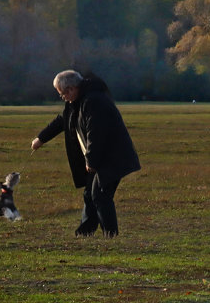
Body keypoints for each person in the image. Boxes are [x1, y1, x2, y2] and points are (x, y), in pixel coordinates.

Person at [30, 70, 140, 237]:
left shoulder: (93, 101)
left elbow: (96, 134)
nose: (63, 98)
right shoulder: (77, 101)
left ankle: (110, 235)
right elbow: (63, 120)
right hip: (101, 157)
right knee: (90, 193)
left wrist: (91, 161)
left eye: (62, 94)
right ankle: (85, 232)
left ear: (72, 89)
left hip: (113, 157)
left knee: (100, 195)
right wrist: (41, 139)